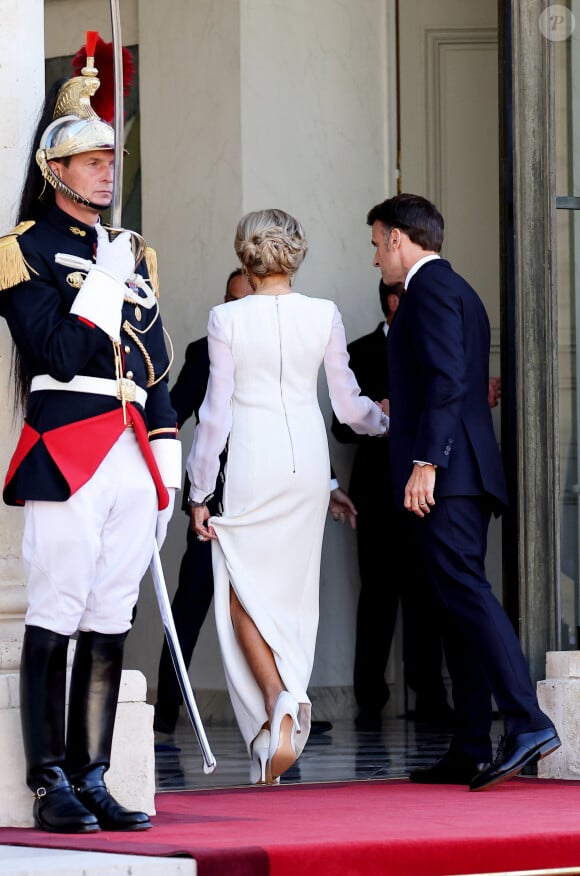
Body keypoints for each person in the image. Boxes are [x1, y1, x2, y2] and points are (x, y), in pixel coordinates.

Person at [0, 49, 180, 832]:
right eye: (93, 160)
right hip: (66, 445)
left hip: (133, 448)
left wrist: (168, 460)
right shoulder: (23, 248)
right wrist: (103, 279)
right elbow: (59, 354)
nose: (108, 173)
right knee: (58, 606)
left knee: (112, 613)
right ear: (56, 167)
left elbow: (157, 365)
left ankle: (94, 772)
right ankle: (50, 781)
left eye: (112, 161)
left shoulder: (134, 249)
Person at [186, 208, 388, 784]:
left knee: (241, 592)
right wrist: (388, 424)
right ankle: (280, 712)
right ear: (295, 254)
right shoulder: (324, 313)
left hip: (251, 465)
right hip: (306, 467)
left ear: (245, 257)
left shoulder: (226, 318)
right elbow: (350, 408)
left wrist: (201, 490)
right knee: (293, 593)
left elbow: (215, 418)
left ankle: (277, 701)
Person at [367, 192, 560, 790]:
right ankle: (473, 742)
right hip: (461, 475)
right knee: (455, 607)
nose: (376, 258)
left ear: (399, 238)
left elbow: (451, 385)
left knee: (468, 597)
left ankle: (526, 722)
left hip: (448, 478)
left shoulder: (430, 291)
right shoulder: (456, 290)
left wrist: (427, 463)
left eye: (377, 244)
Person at [154, 268, 353, 745]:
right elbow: (182, 413)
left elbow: (298, 417)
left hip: (271, 493)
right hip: (221, 504)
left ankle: (282, 700)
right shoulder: (210, 346)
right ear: (227, 301)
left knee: (277, 600)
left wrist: (327, 485)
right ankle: (164, 712)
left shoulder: (287, 330)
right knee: (193, 604)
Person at [332, 280, 453, 731]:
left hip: (427, 489)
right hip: (377, 491)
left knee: (427, 592)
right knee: (377, 595)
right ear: (395, 302)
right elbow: (340, 427)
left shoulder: (429, 348)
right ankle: (369, 701)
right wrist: (378, 419)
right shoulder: (359, 351)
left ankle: (431, 697)